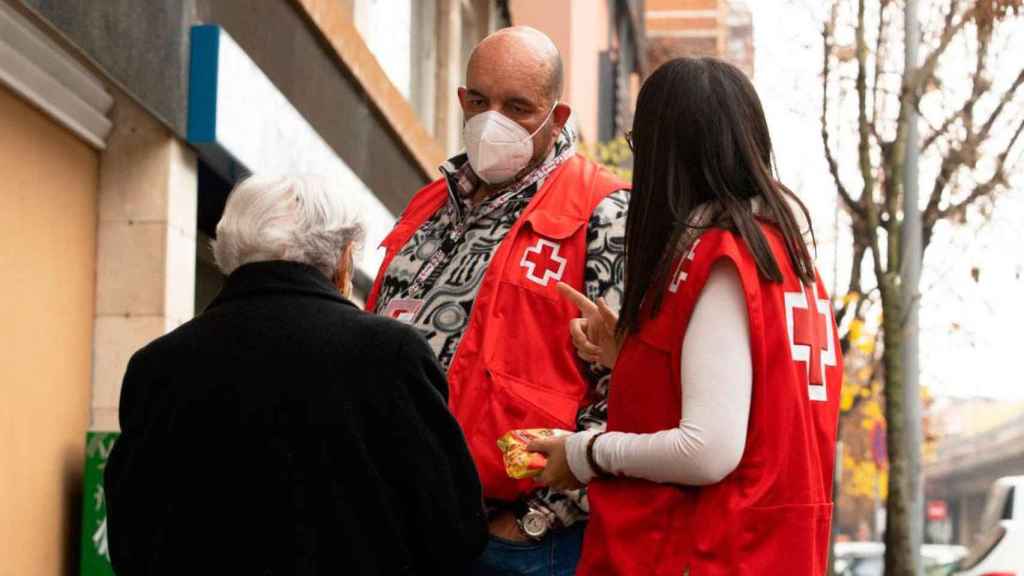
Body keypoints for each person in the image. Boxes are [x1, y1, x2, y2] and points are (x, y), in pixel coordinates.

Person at [529, 57, 843, 575]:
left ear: (665, 154)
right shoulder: (787, 259)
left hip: (715, 553)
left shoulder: (724, 259)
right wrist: (632, 358)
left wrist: (585, 452)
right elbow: (756, 400)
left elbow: (707, 449)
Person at [104, 175, 487, 575]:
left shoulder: (157, 367)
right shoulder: (390, 354)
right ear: (343, 260)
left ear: (230, 254)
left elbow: (130, 539)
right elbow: (455, 530)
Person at [365, 26, 629, 575]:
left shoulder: (604, 212)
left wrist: (539, 517)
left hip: (517, 544)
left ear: (557, 117)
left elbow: (630, 389)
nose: (494, 122)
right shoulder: (429, 204)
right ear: (462, 100)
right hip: (399, 527)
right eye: (481, 102)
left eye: (518, 108)